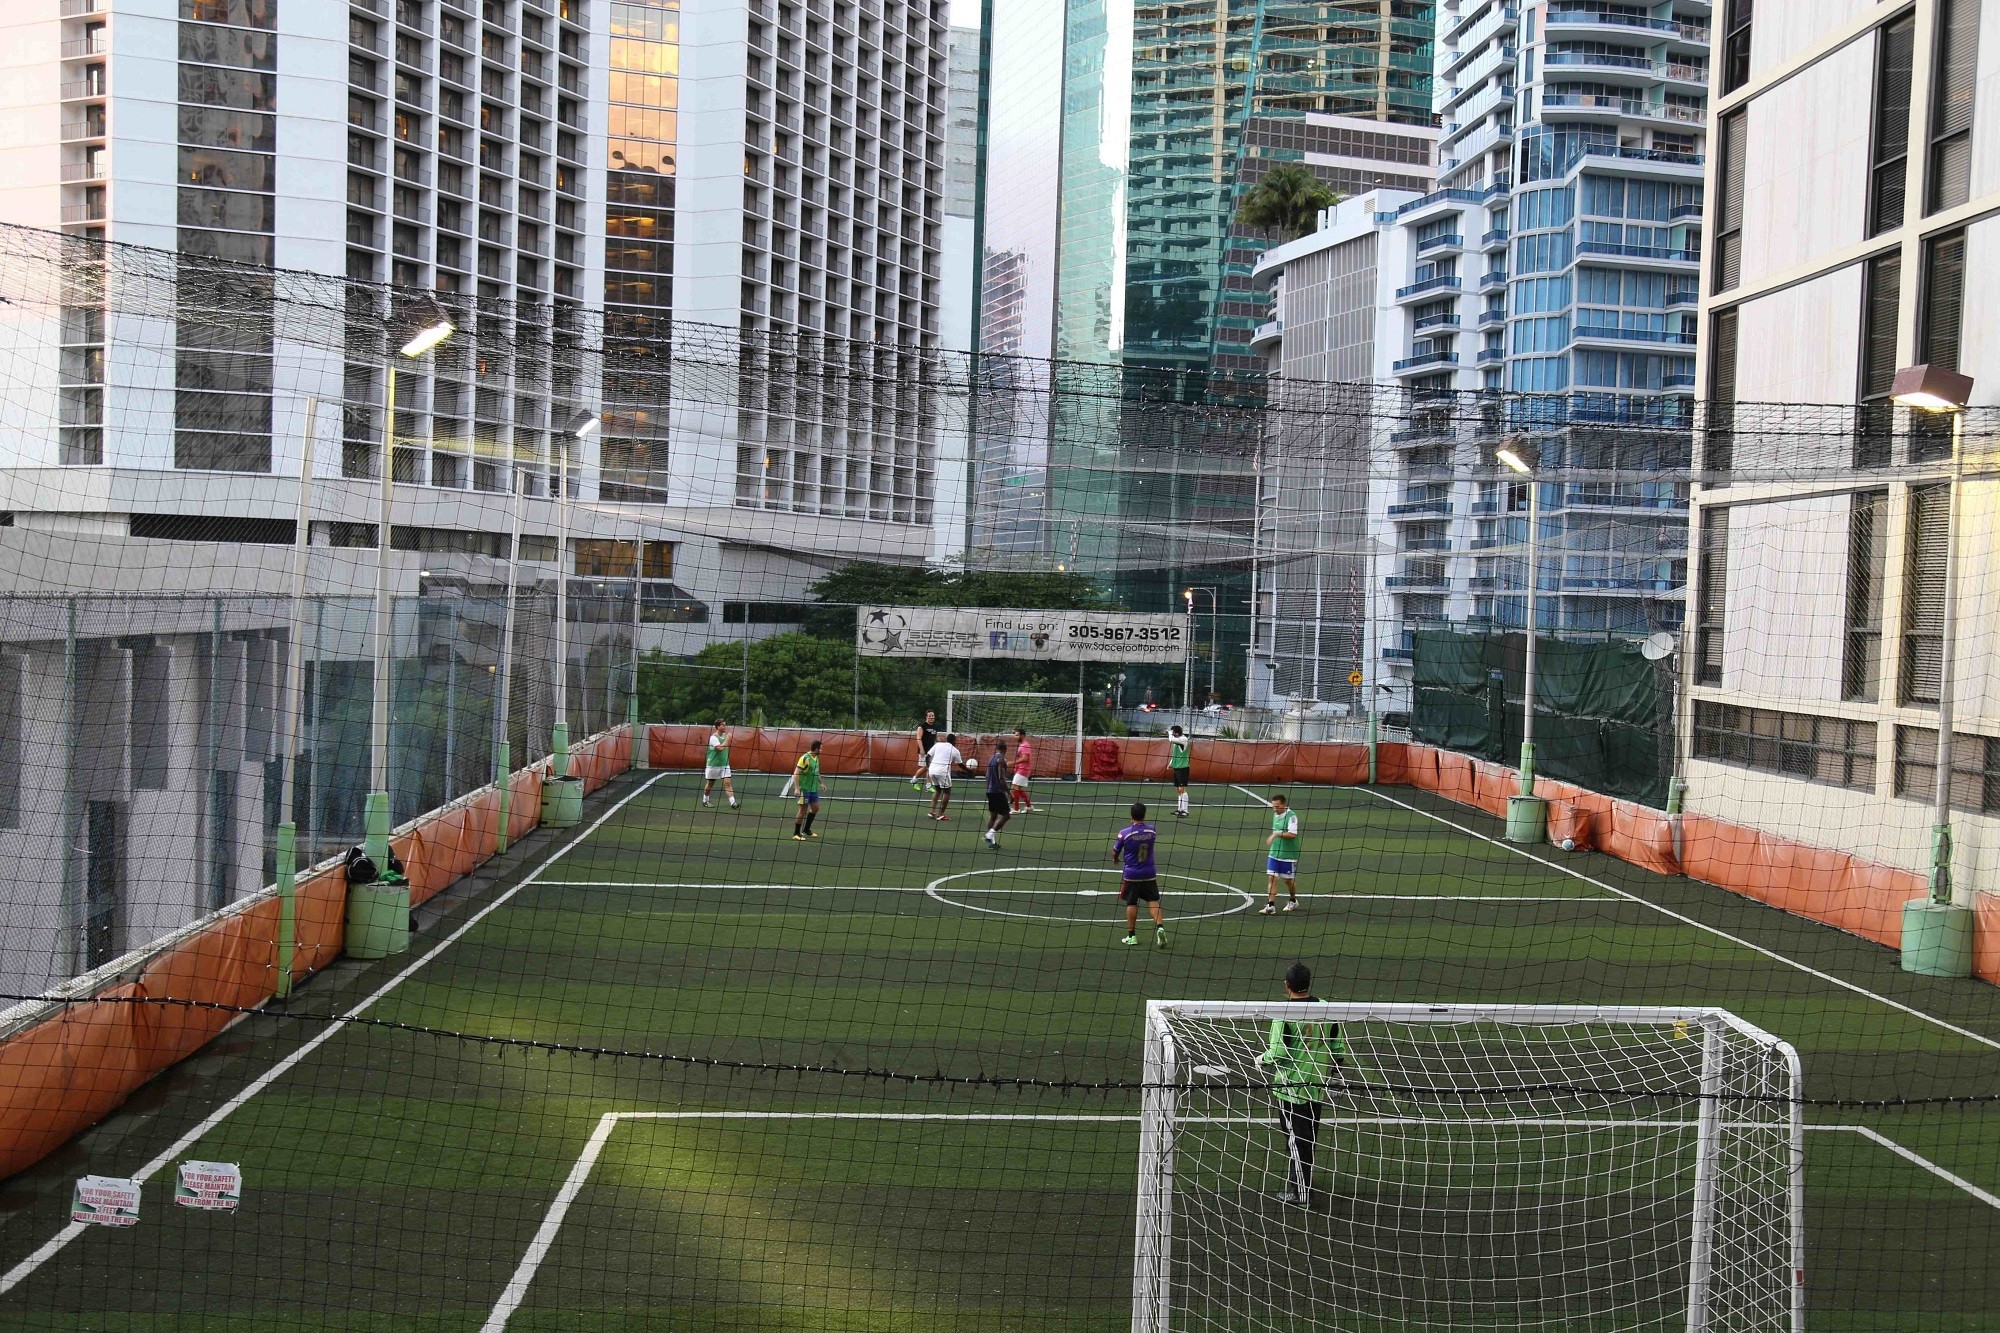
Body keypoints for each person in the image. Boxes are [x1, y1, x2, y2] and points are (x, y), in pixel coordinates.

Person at [1254, 962, 1341, 1206]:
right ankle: (1305, 1179)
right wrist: (1335, 1076)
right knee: (1308, 1137)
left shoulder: (1284, 1012)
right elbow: (1337, 1047)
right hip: (1317, 1085)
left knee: (1296, 1140)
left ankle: (1301, 1192)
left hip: (1291, 1088)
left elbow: (1279, 1051)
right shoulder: (1326, 1008)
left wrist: (1261, 1059)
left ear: (1287, 984)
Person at [1113, 801, 1167, 949]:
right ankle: (1160, 927)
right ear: (1144, 814)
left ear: (1132, 815)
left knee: (1131, 902)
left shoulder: (1125, 833)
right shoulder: (1152, 831)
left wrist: (1115, 859)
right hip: (1149, 872)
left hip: (1132, 874)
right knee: (1153, 900)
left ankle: (1132, 936)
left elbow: (1115, 851)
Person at [1260, 793, 1301, 913]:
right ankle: (1270, 905)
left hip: (1288, 855)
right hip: (1274, 853)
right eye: (1273, 806)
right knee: (1272, 878)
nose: (1275, 809)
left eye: (1277, 806)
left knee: (1288, 880)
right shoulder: (1276, 814)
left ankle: (1293, 900)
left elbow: (1292, 834)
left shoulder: (1291, 816)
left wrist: (1276, 834)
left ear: (1284, 804)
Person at [926, 732, 972, 822]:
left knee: (938, 790)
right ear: (954, 741)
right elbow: (960, 765)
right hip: (943, 771)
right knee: (947, 792)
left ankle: (932, 811)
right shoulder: (954, 750)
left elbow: (927, 756)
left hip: (932, 770)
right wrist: (969, 771)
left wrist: (928, 767)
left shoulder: (938, 745)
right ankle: (941, 814)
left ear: (947, 740)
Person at [701, 719, 739, 808]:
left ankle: (733, 803)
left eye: (725, 725)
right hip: (713, 765)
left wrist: (728, 739)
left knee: (727, 783)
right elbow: (720, 748)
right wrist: (728, 739)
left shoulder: (725, 736)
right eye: (723, 725)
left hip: (724, 764)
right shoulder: (713, 737)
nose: (725, 727)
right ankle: (705, 800)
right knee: (710, 784)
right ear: (718, 727)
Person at [983, 740, 1013, 850]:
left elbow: (986, 776)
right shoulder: (1001, 760)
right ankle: (989, 835)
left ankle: (991, 842)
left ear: (996, 748)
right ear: (1005, 749)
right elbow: (1001, 779)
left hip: (989, 790)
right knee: (1006, 815)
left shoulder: (991, 759)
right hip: (997, 791)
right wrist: (1010, 793)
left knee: (993, 816)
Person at [790, 740, 823, 840]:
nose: (822, 750)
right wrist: (797, 789)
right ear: (816, 748)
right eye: (821, 748)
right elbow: (796, 774)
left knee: (815, 808)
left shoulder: (816, 758)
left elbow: (816, 772)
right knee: (803, 810)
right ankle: (796, 833)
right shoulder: (805, 758)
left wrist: (821, 783)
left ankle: (806, 830)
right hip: (804, 789)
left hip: (813, 789)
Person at [911, 710, 939, 791]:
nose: (931, 717)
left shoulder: (935, 727)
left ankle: (928, 785)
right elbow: (918, 738)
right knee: (926, 767)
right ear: (926, 717)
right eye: (929, 716)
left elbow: (935, 737)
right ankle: (914, 780)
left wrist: (939, 740)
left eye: (932, 716)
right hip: (924, 750)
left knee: (929, 768)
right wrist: (922, 749)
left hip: (932, 751)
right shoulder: (922, 726)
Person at [1167, 725, 1192, 818]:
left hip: (1183, 767)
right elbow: (1174, 754)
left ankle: (1185, 810)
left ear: (1176, 732)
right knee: (1178, 789)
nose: (1172, 733)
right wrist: (1170, 763)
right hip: (1177, 767)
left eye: (1173, 732)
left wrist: (1169, 733)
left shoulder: (1183, 739)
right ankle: (1180, 809)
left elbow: (1171, 739)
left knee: (1182, 789)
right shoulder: (1176, 741)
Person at [1010, 727, 1035, 813]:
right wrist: (1016, 767)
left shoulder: (1025, 745)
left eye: (1017, 735)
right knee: (1018, 789)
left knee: (1015, 788)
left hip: (1023, 769)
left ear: (1023, 736)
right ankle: (1029, 806)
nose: (1015, 737)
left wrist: (1013, 763)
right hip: (1021, 769)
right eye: (1015, 735)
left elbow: (1025, 758)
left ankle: (1016, 809)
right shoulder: (1022, 745)